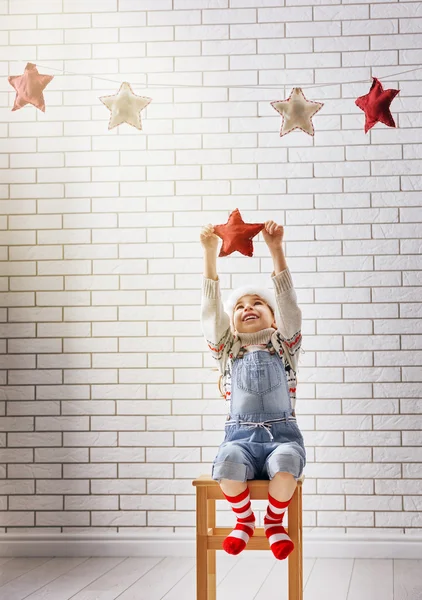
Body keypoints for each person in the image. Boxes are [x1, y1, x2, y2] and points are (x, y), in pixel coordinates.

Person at [199, 220, 306, 561]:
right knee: (226, 465)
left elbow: (289, 305)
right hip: (239, 439)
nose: (248, 308)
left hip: (282, 437)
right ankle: (243, 520)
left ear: (274, 320)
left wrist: (276, 250)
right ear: (231, 323)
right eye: (241, 306)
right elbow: (211, 312)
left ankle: (274, 522)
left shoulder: (284, 346)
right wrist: (210, 256)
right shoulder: (227, 350)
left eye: (258, 304)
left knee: (287, 465)